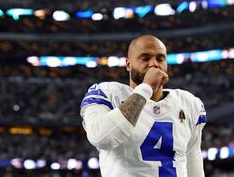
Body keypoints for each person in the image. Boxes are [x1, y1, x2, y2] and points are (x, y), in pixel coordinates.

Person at [80, 35, 207, 177]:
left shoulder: (188, 103)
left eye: (160, 58)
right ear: (128, 64)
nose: (154, 64)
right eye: (145, 58)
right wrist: (146, 88)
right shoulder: (107, 94)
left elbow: (193, 162)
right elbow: (102, 138)